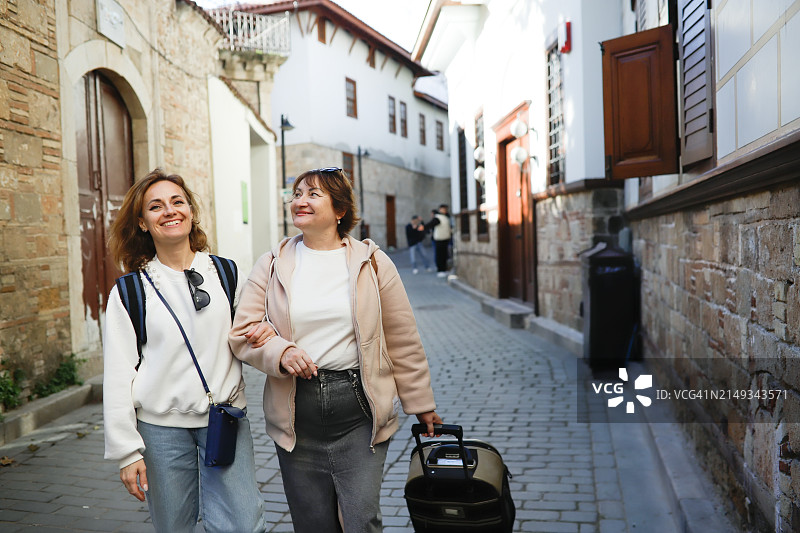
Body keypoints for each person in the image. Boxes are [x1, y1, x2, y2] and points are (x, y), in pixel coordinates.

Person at [229, 167, 442, 533]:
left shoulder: (373, 262)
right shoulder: (273, 262)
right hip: (296, 412)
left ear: (340, 209)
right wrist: (280, 352)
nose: (300, 201)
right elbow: (242, 331)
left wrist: (421, 404)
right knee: (313, 523)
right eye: (297, 194)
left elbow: (402, 338)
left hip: (359, 410)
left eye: (313, 194)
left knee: (362, 520)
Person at [102, 169, 268, 533]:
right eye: (156, 206)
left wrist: (274, 342)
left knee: (244, 524)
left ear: (191, 211)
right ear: (143, 223)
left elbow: (250, 339)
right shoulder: (130, 292)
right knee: (174, 526)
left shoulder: (226, 273)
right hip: (161, 433)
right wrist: (127, 452)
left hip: (225, 422)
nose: (169, 211)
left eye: (177, 201)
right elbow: (117, 376)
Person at [427, 204, 452, 277]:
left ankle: (444, 269)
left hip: (446, 239)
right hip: (439, 240)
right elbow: (430, 224)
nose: (444, 211)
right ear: (440, 209)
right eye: (443, 209)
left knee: (444, 255)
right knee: (439, 255)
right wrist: (423, 227)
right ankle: (440, 270)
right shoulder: (437, 217)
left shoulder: (446, 217)